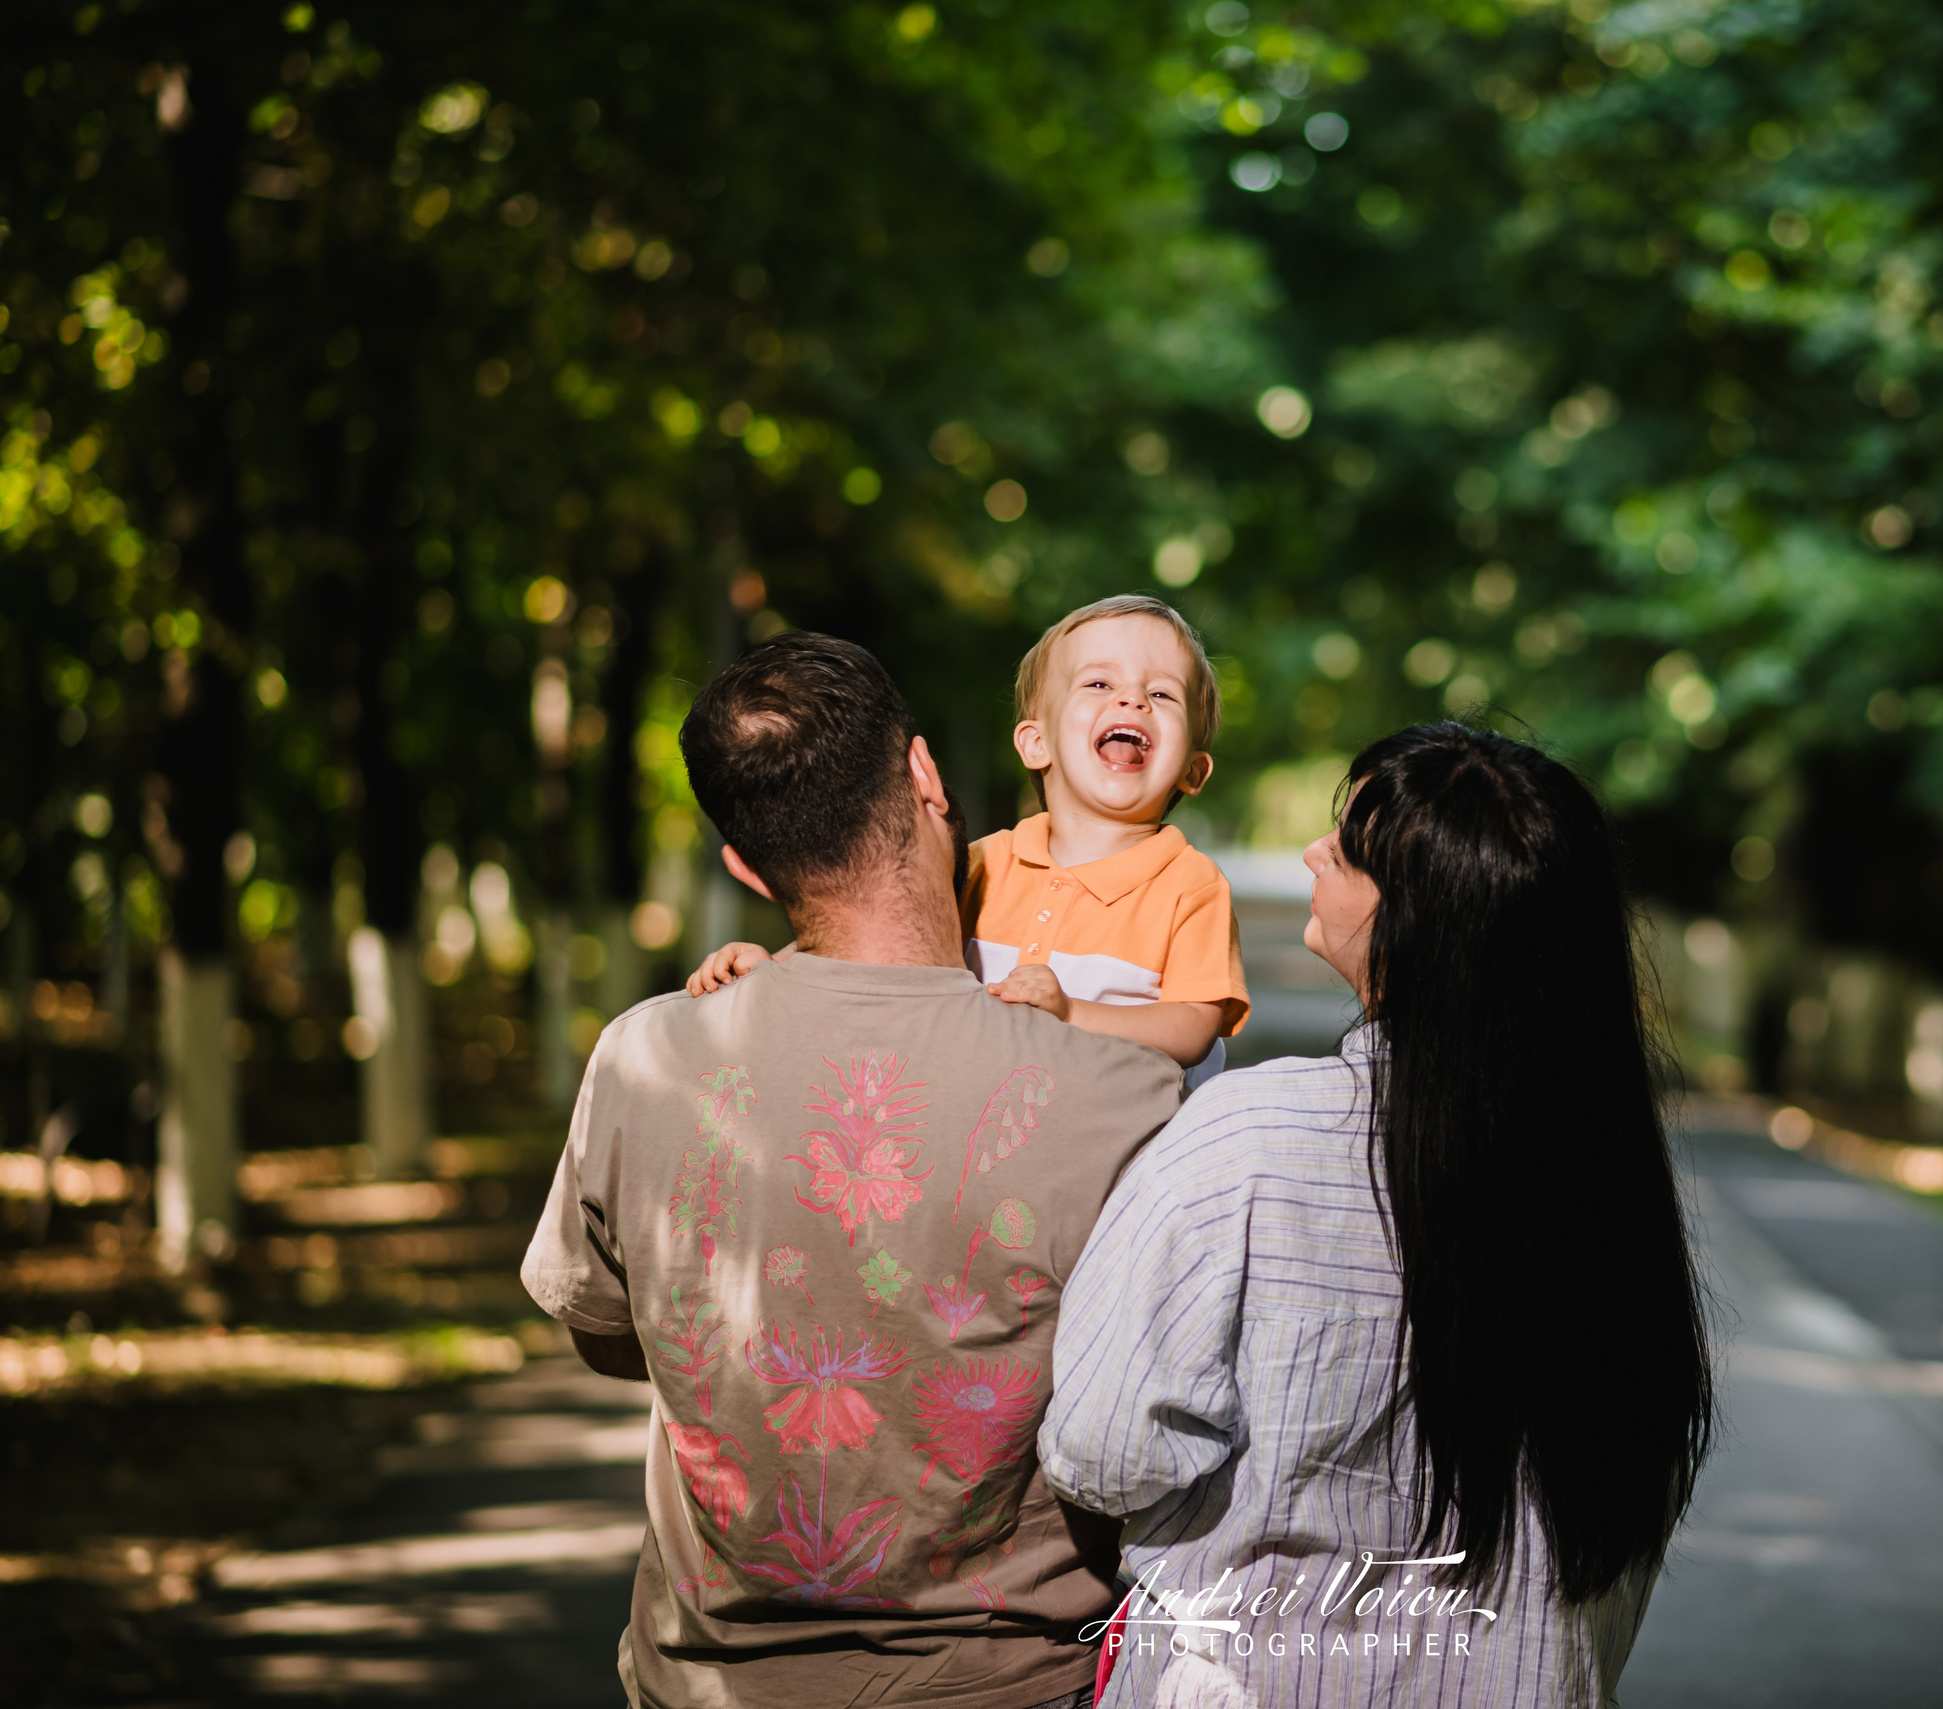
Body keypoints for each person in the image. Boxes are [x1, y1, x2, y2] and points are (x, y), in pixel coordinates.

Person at [522, 632, 1184, 1709]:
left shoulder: (638, 1059)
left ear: (744, 862)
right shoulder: (1125, 1093)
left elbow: (609, 1337)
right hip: (1014, 1684)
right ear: (924, 774)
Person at [1038, 723, 1715, 1708]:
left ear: (1413, 919)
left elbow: (1103, 1447)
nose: (1314, 852)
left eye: (1344, 846)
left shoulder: (1245, 1142)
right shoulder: (1613, 1187)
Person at [690, 595, 1249, 1083]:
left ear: (1194, 771)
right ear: (1035, 743)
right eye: (1100, 683)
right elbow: (876, 938)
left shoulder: (1190, 886)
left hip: (1123, 1147)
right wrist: (777, 971)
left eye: (1163, 694)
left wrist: (1073, 1014)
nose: (1133, 701)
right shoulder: (986, 862)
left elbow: (1195, 1026)